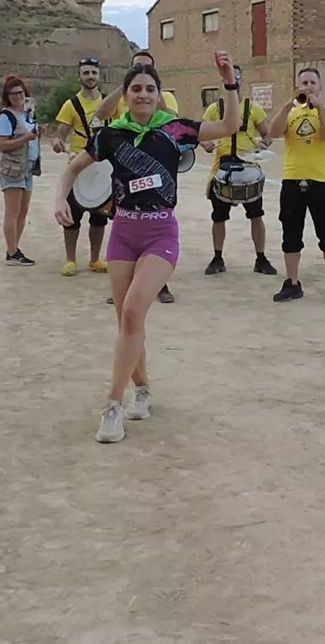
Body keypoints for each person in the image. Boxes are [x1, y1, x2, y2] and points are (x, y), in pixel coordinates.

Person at [54, 52, 242, 443]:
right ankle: (142, 389)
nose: (142, 95)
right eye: (135, 89)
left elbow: (229, 124)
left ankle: (112, 406)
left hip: (160, 234)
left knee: (133, 310)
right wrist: (60, 198)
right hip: (122, 233)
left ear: (159, 95)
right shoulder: (110, 135)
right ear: (125, 95)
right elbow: (73, 169)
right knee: (128, 321)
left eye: (150, 89)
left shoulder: (175, 130)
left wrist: (229, 83)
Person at [95, 49, 181, 304]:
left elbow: (173, 122)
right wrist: (124, 87)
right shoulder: (127, 95)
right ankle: (126, 283)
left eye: (150, 85)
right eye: (137, 67)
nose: (143, 93)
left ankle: (158, 284)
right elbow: (102, 113)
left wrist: (153, 97)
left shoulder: (158, 96)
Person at [263, 67, 325, 305]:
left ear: (320, 87)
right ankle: (292, 283)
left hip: (321, 181)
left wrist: (319, 108)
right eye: (304, 82)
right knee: (291, 235)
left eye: (312, 82)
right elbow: (273, 132)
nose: (308, 87)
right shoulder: (291, 113)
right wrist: (288, 105)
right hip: (292, 179)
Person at [202, 68, 277, 275]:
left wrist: (265, 143)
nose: (232, 80)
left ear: (241, 80)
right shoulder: (215, 108)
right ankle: (217, 258)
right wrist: (206, 144)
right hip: (223, 166)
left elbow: (267, 134)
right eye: (228, 76)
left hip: (249, 166)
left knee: (256, 215)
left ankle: (260, 258)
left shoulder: (253, 108)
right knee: (218, 217)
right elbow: (202, 134)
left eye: (236, 76)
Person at [52, 58, 110, 276]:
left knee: (99, 217)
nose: (90, 76)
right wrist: (58, 143)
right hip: (78, 166)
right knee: (72, 215)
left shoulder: (108, 104)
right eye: (86, 73)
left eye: (93, 72)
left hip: (102, 166)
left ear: (99, 75)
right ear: (80, 76)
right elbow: (60, 135)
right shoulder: (71, 105)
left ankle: (95, 259)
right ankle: (70, 260)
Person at [0, 77, 37, 265]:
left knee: (22, 212)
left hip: (26, 168)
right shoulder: (6, 117)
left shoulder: (28, 114)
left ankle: (13, 249)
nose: (18, 97)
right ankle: (12, 252)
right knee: (12, 212)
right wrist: (27, 138)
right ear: (7, 96)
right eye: (13, 94)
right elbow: (2, 145)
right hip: (12, 168)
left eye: (21, 93)